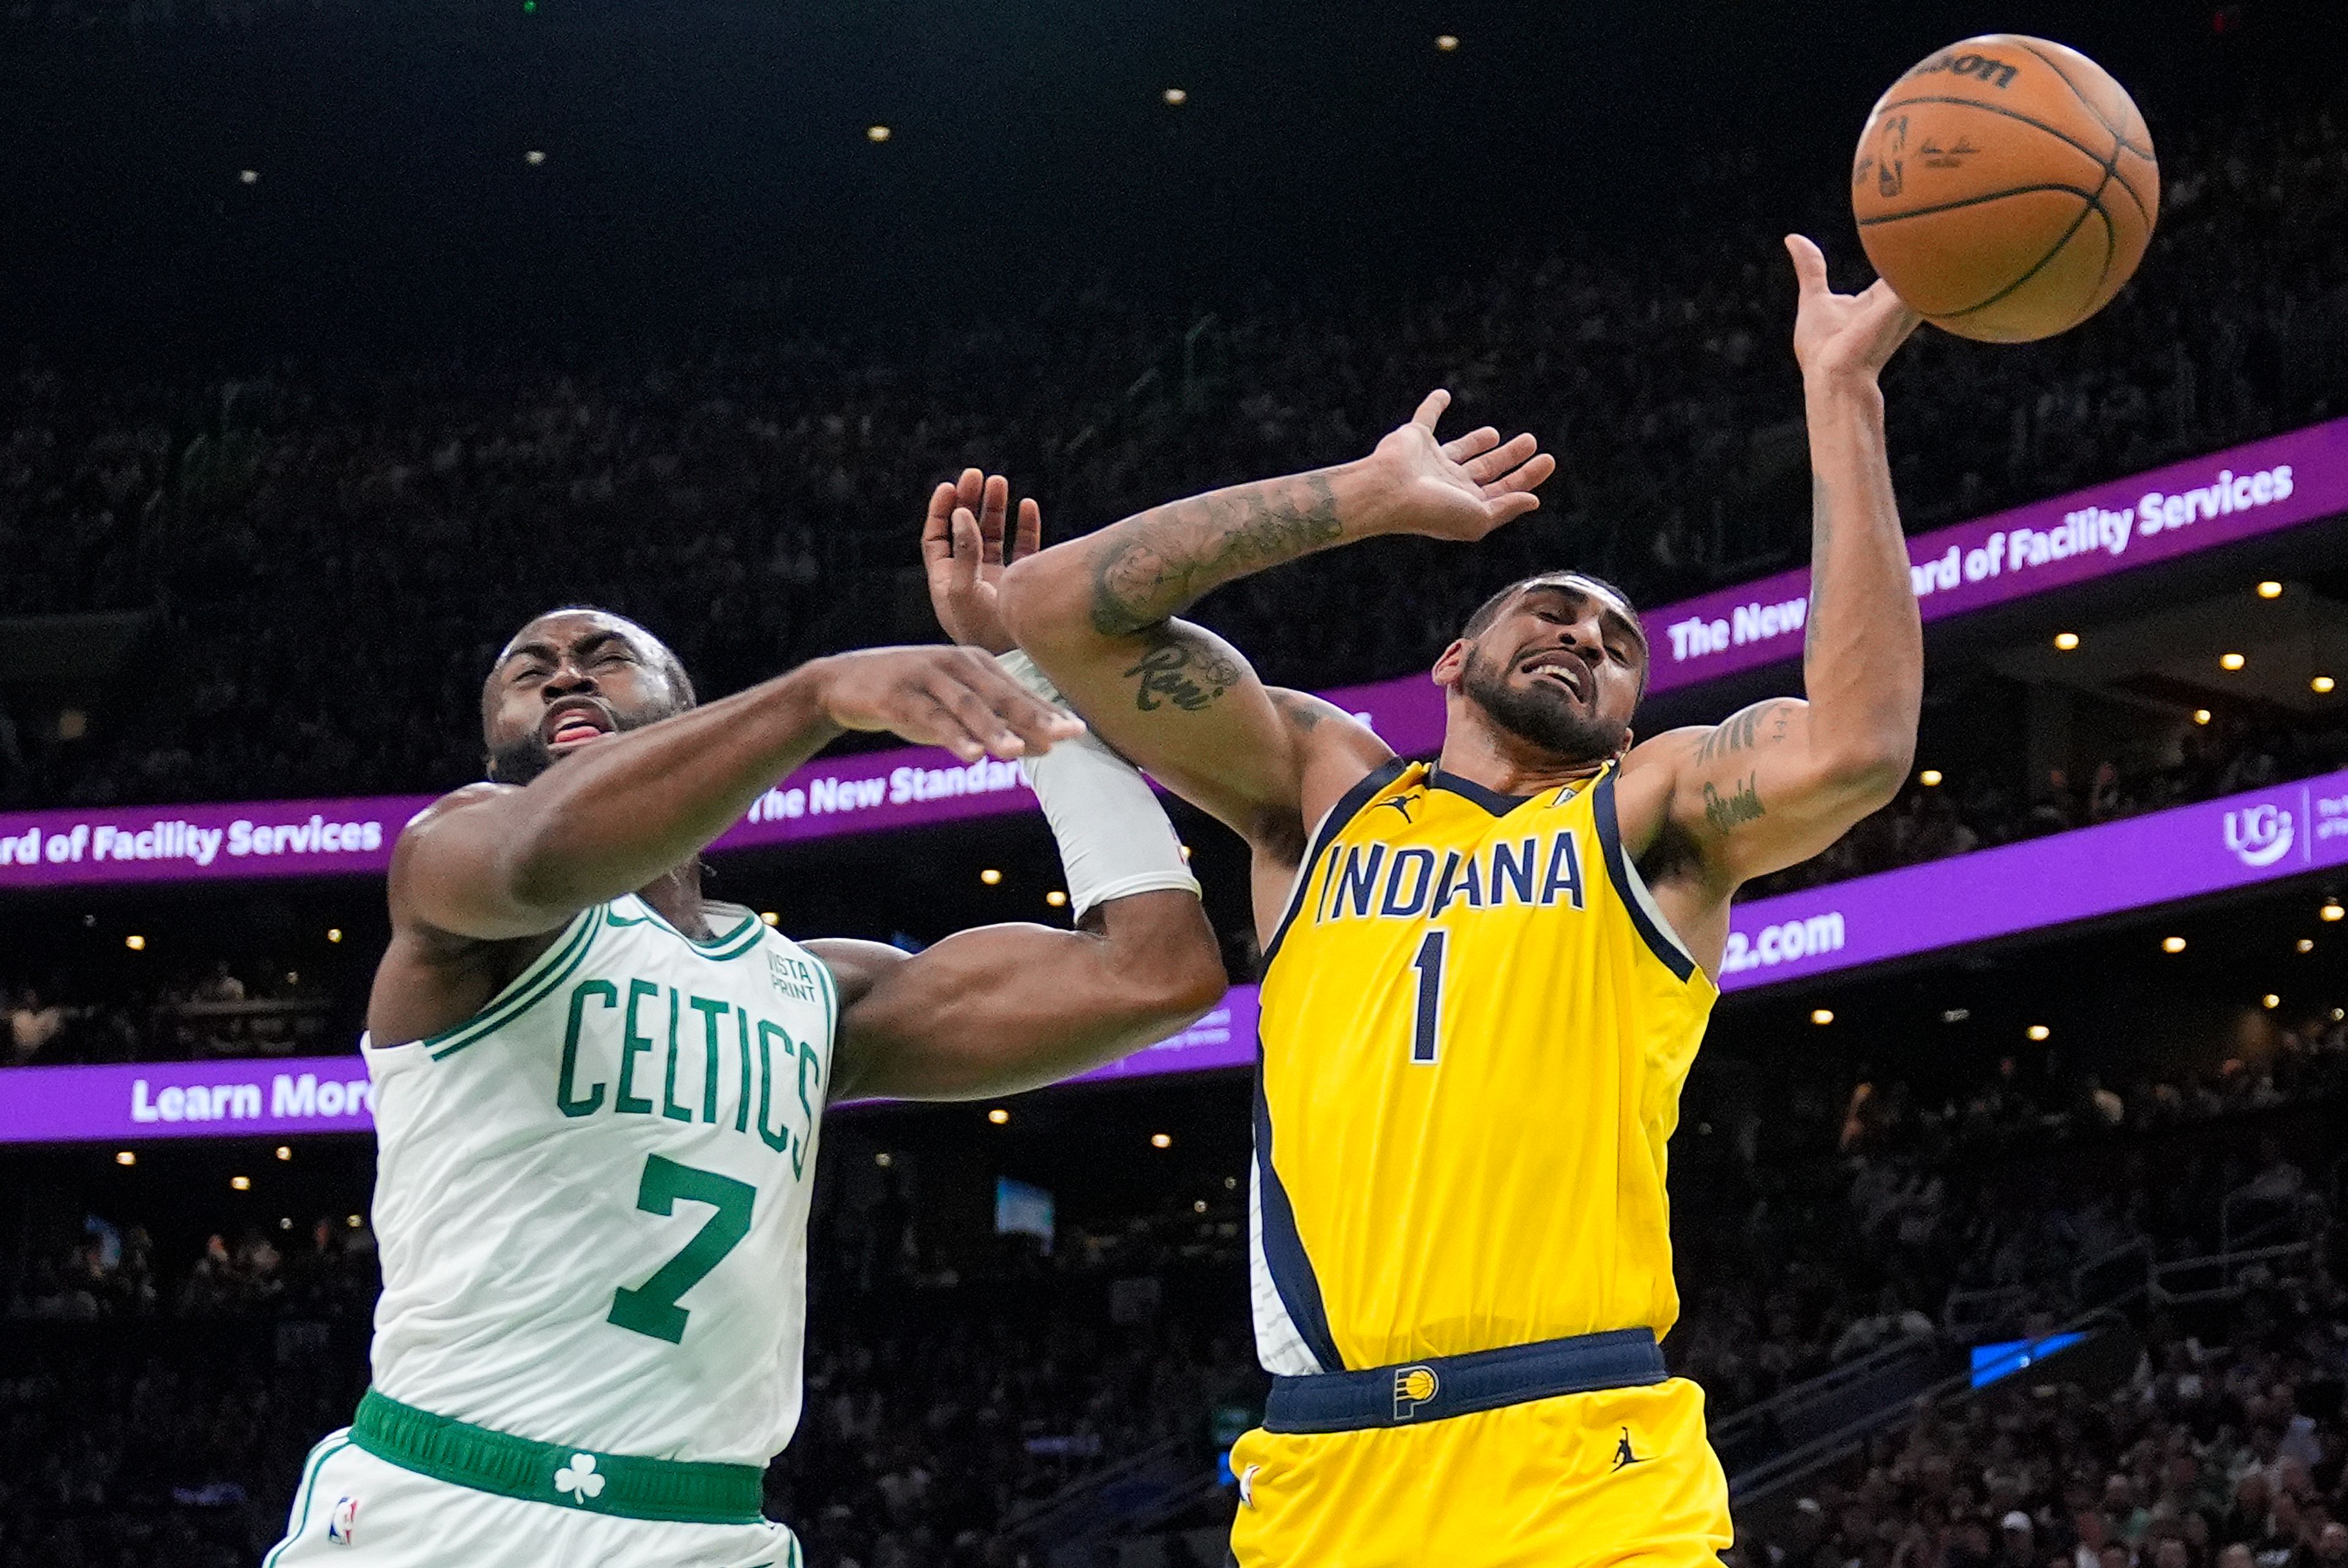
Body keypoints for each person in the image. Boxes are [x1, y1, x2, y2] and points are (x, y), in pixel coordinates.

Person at [984, 236, 1923, 1566]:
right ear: (1453, 655)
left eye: (1616, 647)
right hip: (1326, 1469)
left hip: (1584, 1457)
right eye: (1550, 608)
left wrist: (1842, 391)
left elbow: (1859, 747)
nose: (1583, 640)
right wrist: (1360, 498)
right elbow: (1057, 610)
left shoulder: (1647, 815)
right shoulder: (1323, 789)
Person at [264, 606, 1225, 1567]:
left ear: (689, 713)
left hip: (707, 1528)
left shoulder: (815, 990)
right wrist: (816, 697)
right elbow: (537, 855)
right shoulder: (455, 869)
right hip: (454, 1504)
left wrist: (1036, 686)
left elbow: (1154, 973)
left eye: (606, 660)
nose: (565, 677)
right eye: (531, 670)